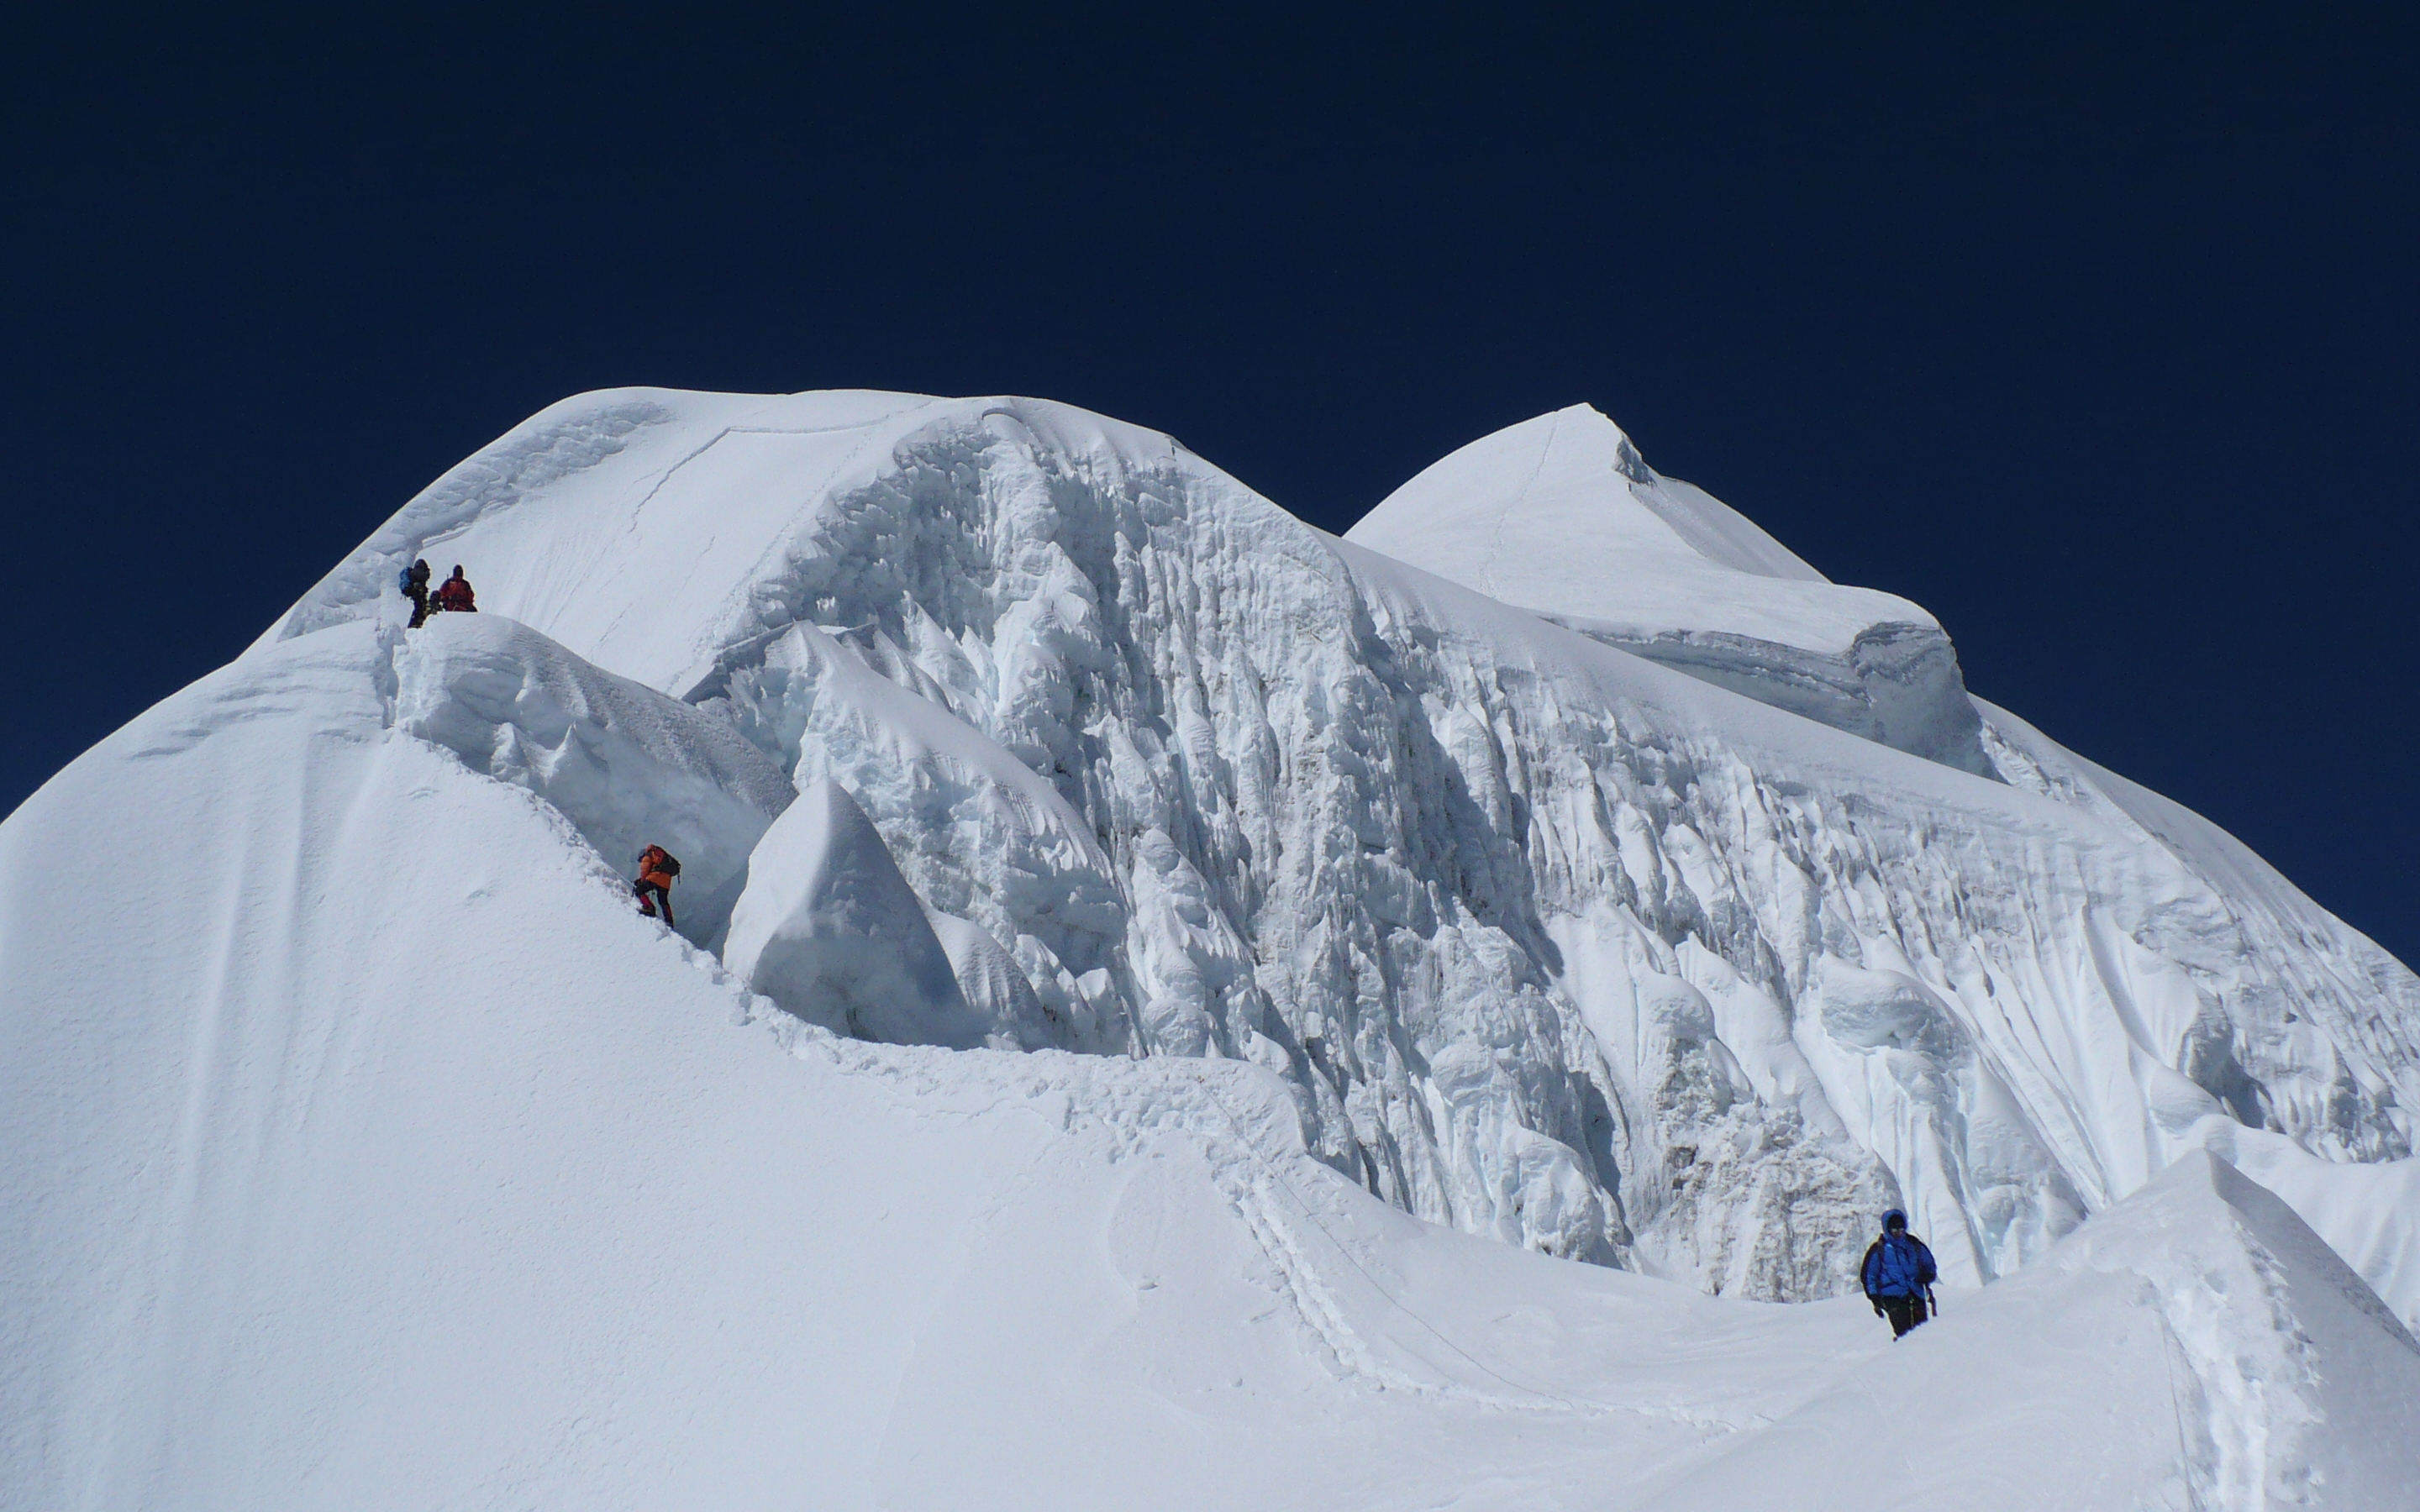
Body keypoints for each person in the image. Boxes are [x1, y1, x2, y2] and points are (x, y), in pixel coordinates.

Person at [1860, 1209, 1938, 1338]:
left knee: (1923, 1332)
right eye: (1894, 1231)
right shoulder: (1879, 1250)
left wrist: (1927, 1276)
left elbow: (1929, 1264)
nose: (1898, 1234)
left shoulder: (1914, 1245)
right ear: (1887, 1229)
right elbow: (1869, 1276)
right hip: (1892, 1298)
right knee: (1904, 1334)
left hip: (1916, 1293)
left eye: (1901, 1230)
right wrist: (1874, 1297)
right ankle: (1903, 1355)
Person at [634, 844, 681, 927]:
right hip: (666, 881)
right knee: (663, 901)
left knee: (639, 890)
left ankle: (649, 908)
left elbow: (645, 870)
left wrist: (641, 882)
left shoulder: (647, 855)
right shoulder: (658, 854)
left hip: (656, 877)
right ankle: (669, 920)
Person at [398, 559, 433, 628]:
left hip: (414, 590)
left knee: (420, 606)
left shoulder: (414, 572)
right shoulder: (421, 572)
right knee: (420, 607)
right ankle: (415, 624)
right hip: (416, 591)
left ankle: (415, 623)